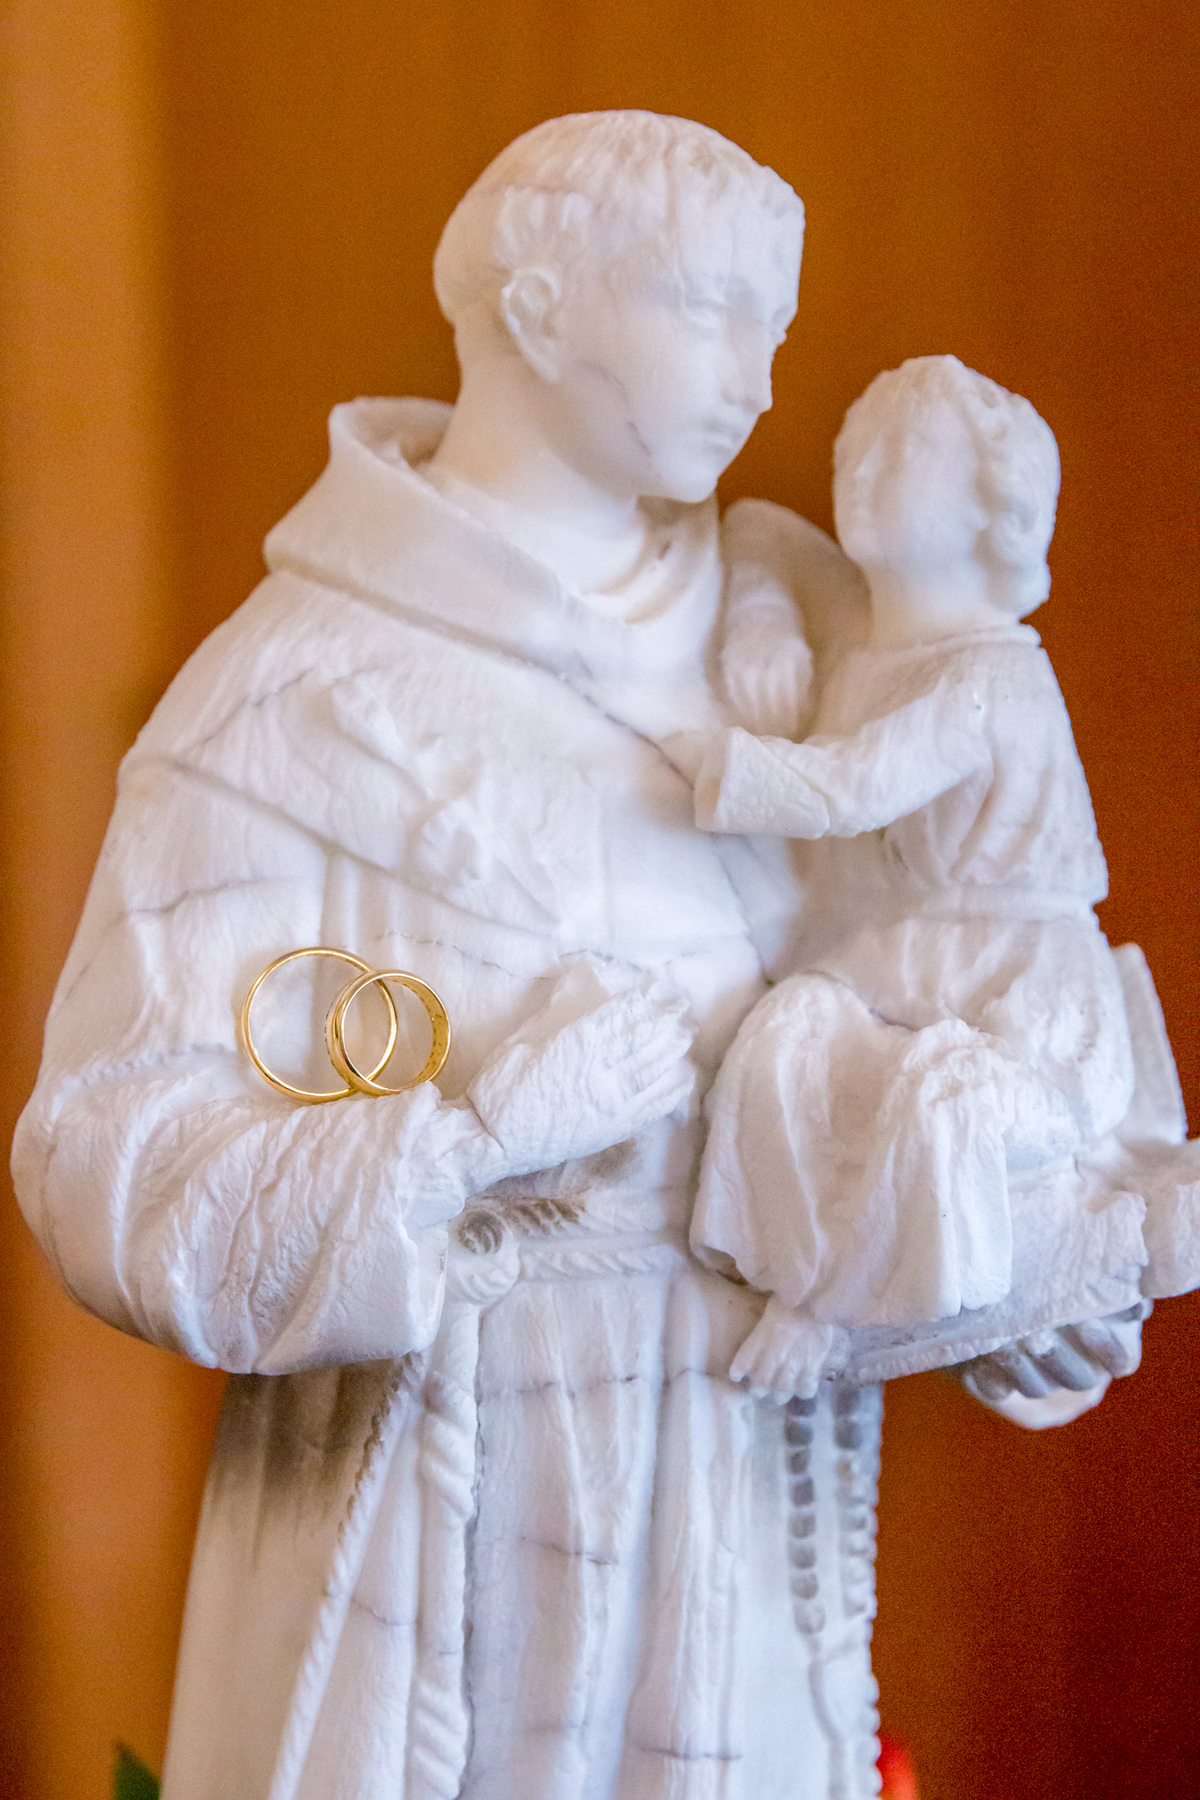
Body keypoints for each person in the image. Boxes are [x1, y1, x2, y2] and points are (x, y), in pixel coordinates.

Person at [12, 122, 1144, 1800]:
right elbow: (109, 1154)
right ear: (537, 310)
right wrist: (466, 1138)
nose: (764, 379)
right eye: (713, 309)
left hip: (748, 1491)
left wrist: (1022, 1267)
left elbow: (955, 980)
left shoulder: (814, 642)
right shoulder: (294, 690)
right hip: (440, 1505)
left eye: (780, 323)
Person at [690, 356, 1190, 1400]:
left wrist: (698, 762)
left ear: (989, 511)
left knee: (940, 1101)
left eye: (903, 450)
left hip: (1013, 988)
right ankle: (788, 1266)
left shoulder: (990, 674)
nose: (860, 467)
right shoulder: (869, 629)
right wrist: (762, 619)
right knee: (786, 1039)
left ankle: (831, 1310)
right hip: (897, 964)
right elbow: (758, 531)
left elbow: (847, 790)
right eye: (852, 445)